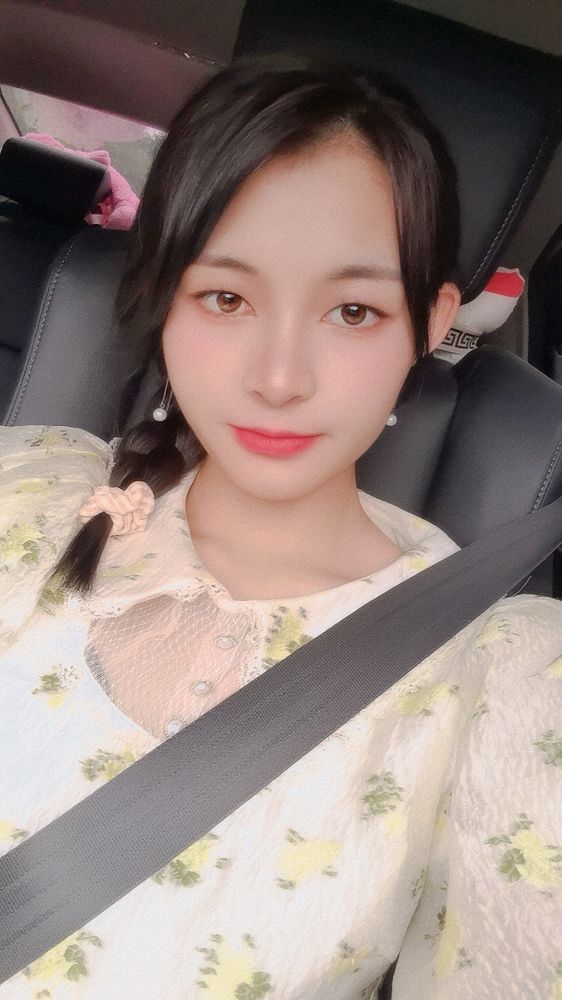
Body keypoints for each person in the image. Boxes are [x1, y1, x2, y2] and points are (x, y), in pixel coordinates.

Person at [0, 49, 560, 1000]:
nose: (279, 377)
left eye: (353, 311)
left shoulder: (489, 672)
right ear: (166, 296)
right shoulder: (28, 488)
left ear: (431, 322)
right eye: (226, 298)